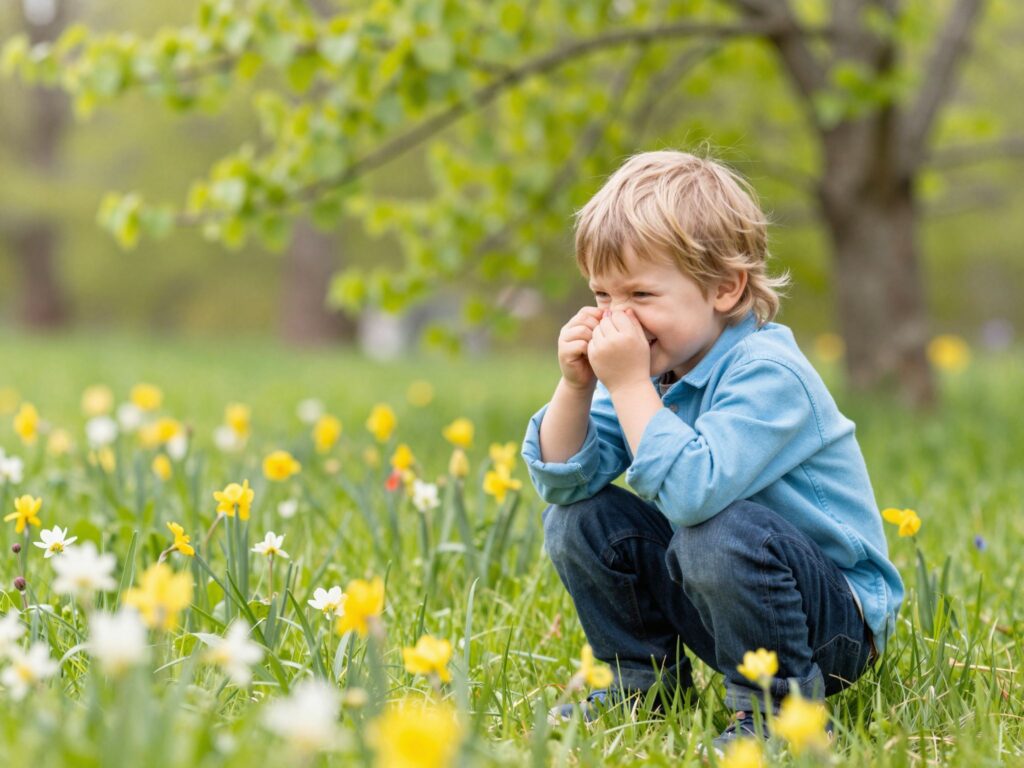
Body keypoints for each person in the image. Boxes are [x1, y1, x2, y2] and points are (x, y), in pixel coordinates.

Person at [520, 150, 903, 751]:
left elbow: (693, 493)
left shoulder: (770, 374)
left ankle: (780, 716)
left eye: (641, 293)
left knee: (716, 530)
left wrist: (625, 385)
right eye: (601, 294)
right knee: (578, 520)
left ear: (724, 288)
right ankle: (642, 685)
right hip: (720, 599)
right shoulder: (653, 370)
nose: (617, 317)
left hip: (830, 626)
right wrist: (577, 386)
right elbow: (564, 481)